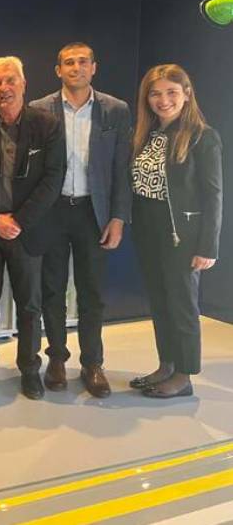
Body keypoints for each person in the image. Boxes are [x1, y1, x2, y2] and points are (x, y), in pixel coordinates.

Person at [30, 42, 131, 398]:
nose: (76, 67)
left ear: (94, 67)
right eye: (69, 62)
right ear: (58, 70)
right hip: (52, 211)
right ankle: (57, 359)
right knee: (52, 290)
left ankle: (93, 363)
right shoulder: (38, 109)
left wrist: (118, 217)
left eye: (83, 61)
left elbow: (122, 168)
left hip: (93, 213)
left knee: (92, 293)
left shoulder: (115, 110)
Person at [0, 56, 65, 400]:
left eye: (10, 80)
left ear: (23, 84)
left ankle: (30, 369)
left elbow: (53, 178)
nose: (3, 88)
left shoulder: (47, 125)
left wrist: (19, 221)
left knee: (30, 306)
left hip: (27, 232)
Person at [130, 64, 222, 398]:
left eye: (171, 92)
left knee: (182, 305)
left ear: (186, 94)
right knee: (160, 301)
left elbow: (214, 194)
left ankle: (184, 375)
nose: (163, 100)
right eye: (155, 93)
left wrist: (208, 246)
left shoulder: (202, 136)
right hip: (149, 230)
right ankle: (166, 365)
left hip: (182, 233)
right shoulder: (147, 134)